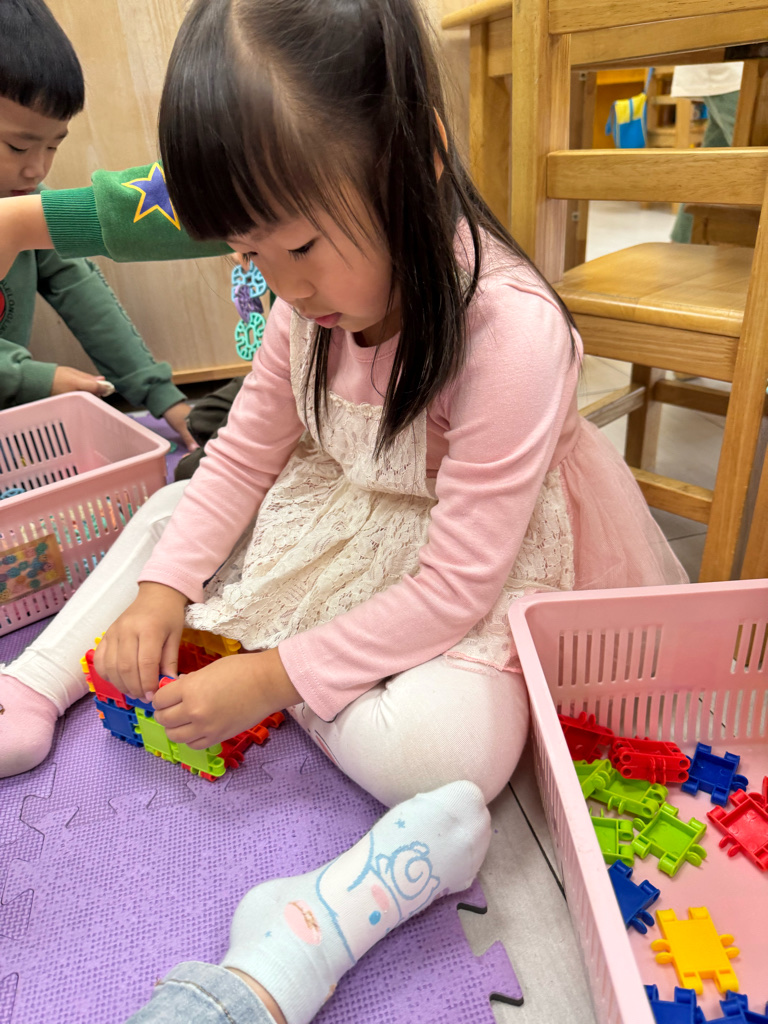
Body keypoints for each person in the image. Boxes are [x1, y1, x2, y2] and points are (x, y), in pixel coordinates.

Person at [0, 0, 688, 1018]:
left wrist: (268, 677)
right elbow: (242, 460)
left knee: (453, 757)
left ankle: (278, 663)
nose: (283, 287)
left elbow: (457, 584)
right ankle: (35, 679)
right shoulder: (300, 302)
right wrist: (160, 594)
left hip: (468, 558)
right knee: (169, 512)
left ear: (416, 159)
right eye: (250, 254)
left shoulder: (510, 332)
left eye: (301, 247)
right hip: (348, 512)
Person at [0, 0, 195, 447]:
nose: (37, 169)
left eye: (53, 146)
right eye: (17, 147)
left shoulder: (27, 203)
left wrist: (160, 394)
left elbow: (81, 290)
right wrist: (30, 378)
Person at [670, 61, 744, 244]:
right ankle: (683, 246)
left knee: (713, 168)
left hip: (734, 71)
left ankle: (683, 244)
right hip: (732, 70)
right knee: (758, 163)